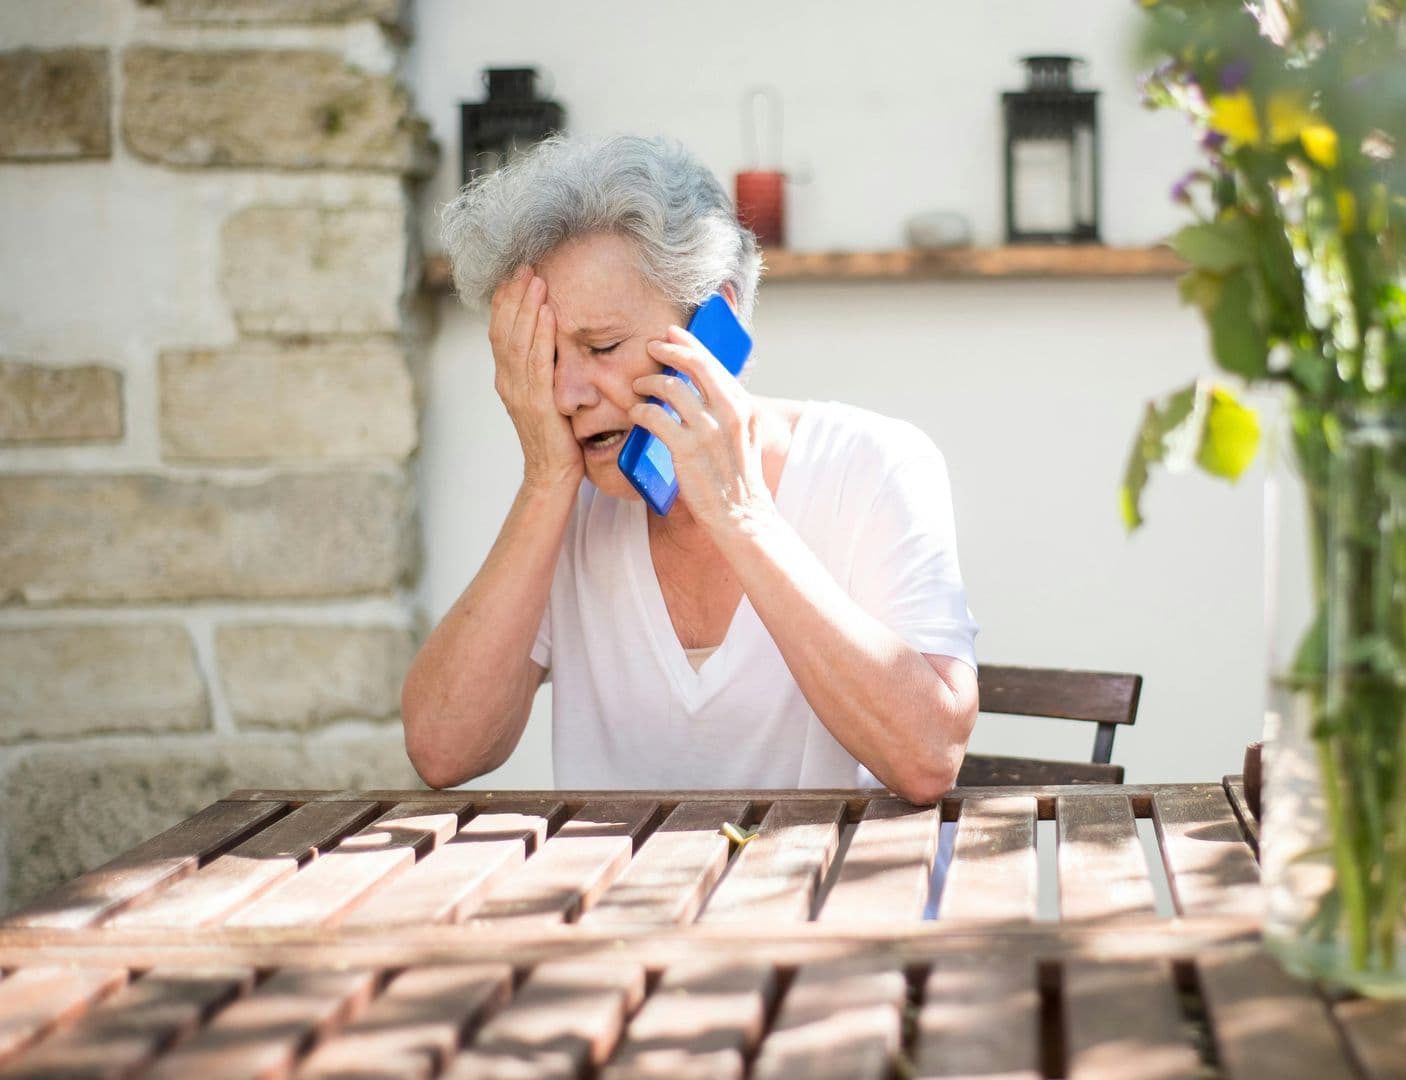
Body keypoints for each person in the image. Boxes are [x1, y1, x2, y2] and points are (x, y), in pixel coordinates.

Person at [402, 134, 979, 803]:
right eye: (549, 359)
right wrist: (542, 484)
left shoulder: (874, 465)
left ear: (716, 321)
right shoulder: (567, 502)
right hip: (613, 874)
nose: (567, 395)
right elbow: (442, 750)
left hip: (824, 871)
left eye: (602, 346)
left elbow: (928, 757)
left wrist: (743, 518)